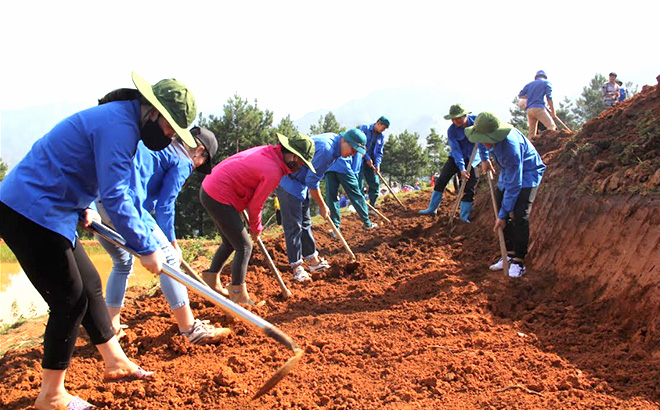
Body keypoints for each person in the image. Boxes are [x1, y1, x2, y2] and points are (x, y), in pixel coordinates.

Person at [0, 72, 196, 410]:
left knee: (89, 285)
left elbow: (123, 186)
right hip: (29, 210)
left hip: (55, 208)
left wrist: (87, 207)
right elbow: (116, 195)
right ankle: (51, 396)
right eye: (168, 127)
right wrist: (146, 248)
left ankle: (116, 362)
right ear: (152, 110)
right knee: (69, 300)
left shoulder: (124, 122)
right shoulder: (118, 126)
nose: (167, 136)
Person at [94, 123, 228, 345]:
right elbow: (165, 206)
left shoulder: (161, 147)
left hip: (102, 200)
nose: (198, 166)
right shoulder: (183, 160)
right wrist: (172, 242)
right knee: (170, 259)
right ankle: (190, 329)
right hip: (125, 204)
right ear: (200, 151)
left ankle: (112, 326)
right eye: (202, 162)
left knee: (122, 262)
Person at [200, 132, 316, 304]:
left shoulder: (269, 153)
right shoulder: (273, 170)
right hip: (219, 194)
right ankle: (239, 298)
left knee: (230, 242)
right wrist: (256, 228)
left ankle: (211, 282)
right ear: (292, 155)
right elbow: (256, 205)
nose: (299, 167)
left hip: (210, 188)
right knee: (244, 246)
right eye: (300, 162)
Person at [277, 128, 367, 282]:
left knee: (305, 223)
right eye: (352, 149)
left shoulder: (335, 144)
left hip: (301, 183)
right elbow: (313, 181)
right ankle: (297, 267)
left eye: (356, 152)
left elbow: (311, 179)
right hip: (290, 182)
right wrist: (322, 205)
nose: (353, 154)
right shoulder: (327, 150)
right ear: (344, 140)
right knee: (294, 226)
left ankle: (312, 260)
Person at [465, 112, 546, 278]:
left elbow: (515, 184)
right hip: (507, 171)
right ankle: (508, 254)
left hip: (528, 173)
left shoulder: (511, 148)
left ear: (495, 136)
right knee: (500, 202)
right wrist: (485, 158)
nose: (483, 140)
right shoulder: (485, 137)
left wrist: (502, 214)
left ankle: (519, 260)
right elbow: (479, 141)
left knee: (519, 214)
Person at [419, 104, 490, 222]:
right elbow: (456, 150)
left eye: (457, 118)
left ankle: (464, 216)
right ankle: (432, 208)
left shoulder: (477, 122)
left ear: (465, 115)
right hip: (456, 158)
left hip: (473, 159)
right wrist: (461, 168)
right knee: (442, 180)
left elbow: (483, 142)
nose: (455, 121)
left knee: (470, 186)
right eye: (453, 118)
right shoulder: (452, 130)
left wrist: (484, 159)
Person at [325, 150, 377, 232]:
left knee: (332, 197)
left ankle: (335, 228)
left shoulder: (344, 143)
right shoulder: (359, 152)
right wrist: (352, 188)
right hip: (344, 168)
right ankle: (367, 223)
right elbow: (355, 170)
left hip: (330, 169)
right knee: (356, 196)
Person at [358, 116, 390, 206]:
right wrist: (367, 158)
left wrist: (378, 164)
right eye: (383, 128)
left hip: (372, 163)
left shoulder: (381, 136)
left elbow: (379, 152)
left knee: (375, 183)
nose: (383, 130)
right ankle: (361, 207)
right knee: (359, 184)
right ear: (378, 123)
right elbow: (360, 145)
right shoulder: (365, 128)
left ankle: (372, 205)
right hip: (360, 160)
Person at [518, 70, 557, 138]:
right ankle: (550, 145)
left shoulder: (529, 84)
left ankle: (531, 145)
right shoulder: (546, 83)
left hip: (529, 110)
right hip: (538, 108)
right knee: (551, 126)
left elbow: (520, 95)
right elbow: (549, 97)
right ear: (545, 77)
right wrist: (553, 112)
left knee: (532, 134)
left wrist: (530, 96)